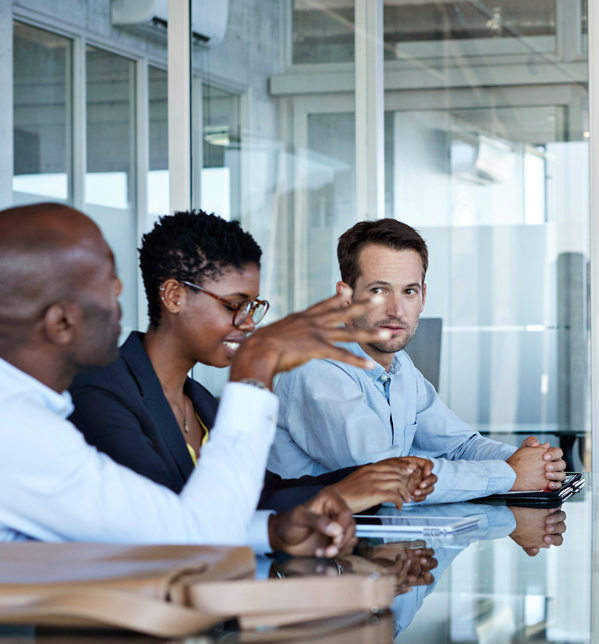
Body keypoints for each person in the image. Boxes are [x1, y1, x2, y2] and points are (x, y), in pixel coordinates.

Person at [0, 203, 398, 555]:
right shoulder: (22, 429)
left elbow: (168, 526)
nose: (120, 290)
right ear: (60, 320)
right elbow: (186, 537)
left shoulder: (35, 419)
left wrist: (276, 530)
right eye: (104, 280)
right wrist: (255, 370)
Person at [67, 211, 436, 514]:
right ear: (174, 296)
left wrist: (370, 479)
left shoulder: (199, 402)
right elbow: (171, 521)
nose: (248, 323)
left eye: (253, 307)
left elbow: (259, 494)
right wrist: (251, 372)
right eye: (233, 305)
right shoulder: (98, 394)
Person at [268, 219, 566, 502]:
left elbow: (459, 445)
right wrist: (511, 475)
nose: (396, 310)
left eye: (409, 291)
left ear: (423, 297)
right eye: (379, 290)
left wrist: (534, 463)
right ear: (345, 297)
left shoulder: (399, 367)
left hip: (378, 545)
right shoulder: (317, 368)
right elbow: (388, 476)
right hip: (315, 550)